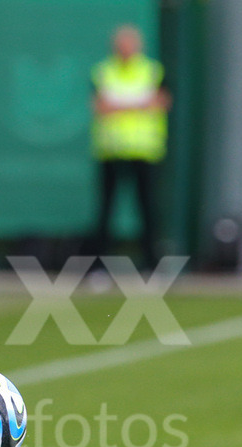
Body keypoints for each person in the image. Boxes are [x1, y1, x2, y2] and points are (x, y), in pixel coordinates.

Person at [91, 25, 171, 270]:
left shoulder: (152, 71)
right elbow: (100, 107)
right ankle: (99, 266)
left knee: (147, 209)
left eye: (129, 44)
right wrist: (139, 105)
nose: (125, 49)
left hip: (144, 150)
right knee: (106, 210)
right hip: (111, 150)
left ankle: (151, 264)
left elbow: (161, 102)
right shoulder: (103, 71)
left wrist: (120, 106)